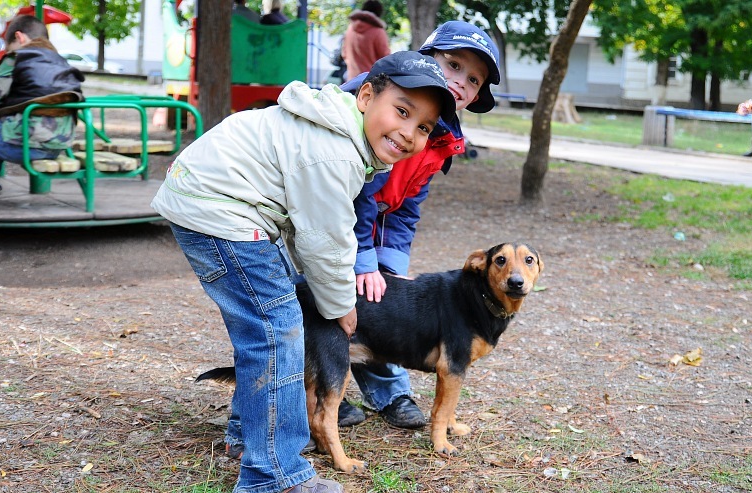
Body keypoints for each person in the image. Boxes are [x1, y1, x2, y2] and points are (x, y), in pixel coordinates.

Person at [151, 51, 455, 492]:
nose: (408, 132)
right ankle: (274, 475)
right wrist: (340, 308)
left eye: (423, 127)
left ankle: (247, 439)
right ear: (367, 95)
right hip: (221, 211)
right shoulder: (336, 155)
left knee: (269, 330)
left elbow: (306, 228)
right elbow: (325, 242)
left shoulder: (340, 134)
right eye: (403, 111)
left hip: (218, 205)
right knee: (278, 331)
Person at [335, 20, 502, 430]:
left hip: (362, 221)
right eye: (452, 64)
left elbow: (406, 207)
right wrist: (363, 259)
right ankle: (323, 392)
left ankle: (389, 394)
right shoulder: (384, 99)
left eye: (473, 79)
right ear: (426, 57)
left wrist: (389, 264)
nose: (459, 82)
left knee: (381, 297)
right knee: (332, 303)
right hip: (327, 215)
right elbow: (358, 193)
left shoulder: (440, 137)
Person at [0, 15, 83, 194]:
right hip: (58, 146)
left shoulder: (17, 57)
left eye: (8, 45)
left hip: (26, 146)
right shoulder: (61, 63)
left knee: (2, 126)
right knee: (4, 125)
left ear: (19, 37)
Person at [341, 0, 390, 80]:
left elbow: (344, 53)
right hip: (372, 82)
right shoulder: (378, 31)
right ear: (379, 13)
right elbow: (386, 59)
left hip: (352, 80)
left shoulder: (350, 28)